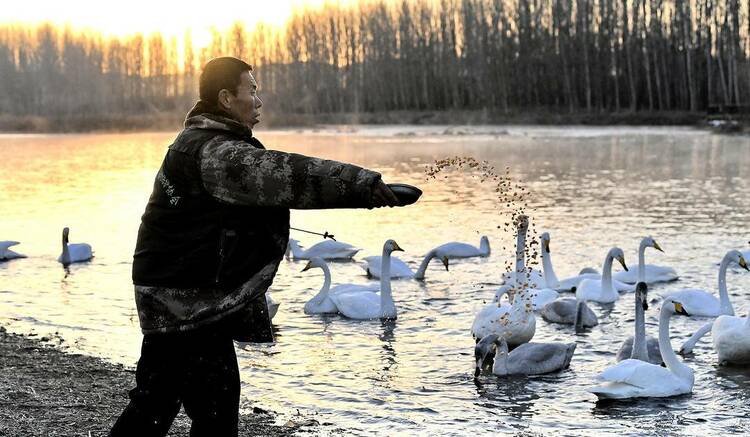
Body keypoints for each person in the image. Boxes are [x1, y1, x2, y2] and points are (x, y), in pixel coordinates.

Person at [110, 57, 403, 436]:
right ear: (226, 99)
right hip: (184, 303)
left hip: (180, 297)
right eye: (252, 90)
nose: (259, 100)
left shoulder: (201, 143)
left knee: (165, 401)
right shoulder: (214, 153)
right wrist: (364, 186)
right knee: (201, 407)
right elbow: (289, 175)